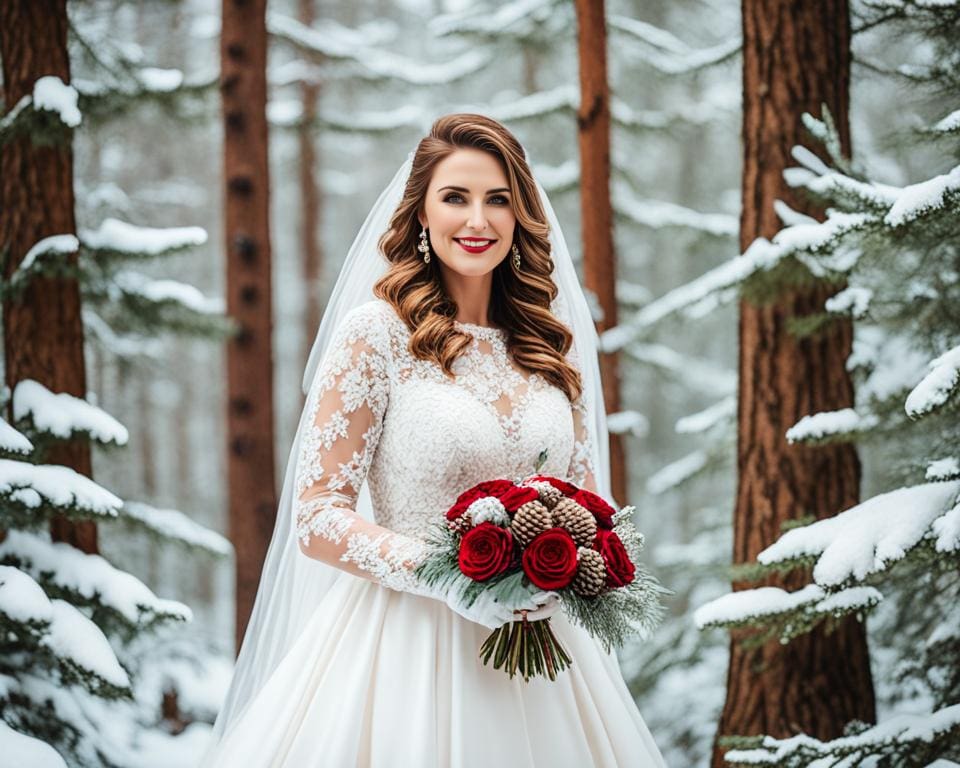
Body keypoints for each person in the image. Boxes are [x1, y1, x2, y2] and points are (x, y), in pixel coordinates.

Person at [200, 113, 666, 767]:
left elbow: (588, 504)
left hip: (548, 663)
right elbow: (316, 516)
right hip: (404, 652)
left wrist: (567, 572)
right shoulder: (376, 335)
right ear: (421, 212)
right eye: (456, 197)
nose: (478, 220)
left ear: (520, 216)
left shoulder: (548, 347)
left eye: (497, 200)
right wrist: (446, 579)